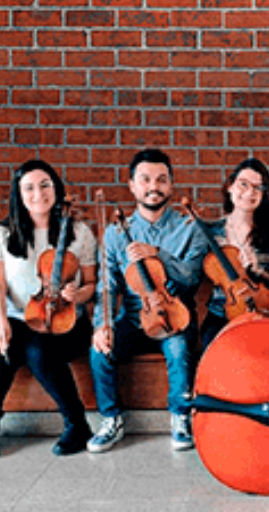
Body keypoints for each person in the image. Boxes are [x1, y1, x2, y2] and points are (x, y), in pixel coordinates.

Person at [88, 149, 208, 453]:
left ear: (171, 184)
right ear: (132, 186)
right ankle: (111, 419)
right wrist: (102, 325)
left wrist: (159, 254)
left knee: (179, 349)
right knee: (100, 350)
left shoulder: (190, 227)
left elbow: (192, 276)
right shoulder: (116, 233)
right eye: (145, 179)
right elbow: (107, 286)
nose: (154, 186)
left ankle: (180, 417)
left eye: (161, 180)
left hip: (175, 317)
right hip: (132, 318)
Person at [0, 160, 96, 458]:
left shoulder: (79, 232)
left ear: (56, 188)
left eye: (45, 185)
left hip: (68, 320)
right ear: (18, 194)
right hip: (18, 318)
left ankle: (77, 424)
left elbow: (92, 283)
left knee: (38, 350)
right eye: (28, 188)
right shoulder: (1, 234)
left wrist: (77, 294)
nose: (38, 193)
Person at [198, 158, 269, 354]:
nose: (249, 192)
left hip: (262, 312)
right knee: (211, 352)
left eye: (258, 187)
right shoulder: (210, 232)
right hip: (221, 314)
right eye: (243, 184)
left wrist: (258, 271)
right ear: (230, 186)